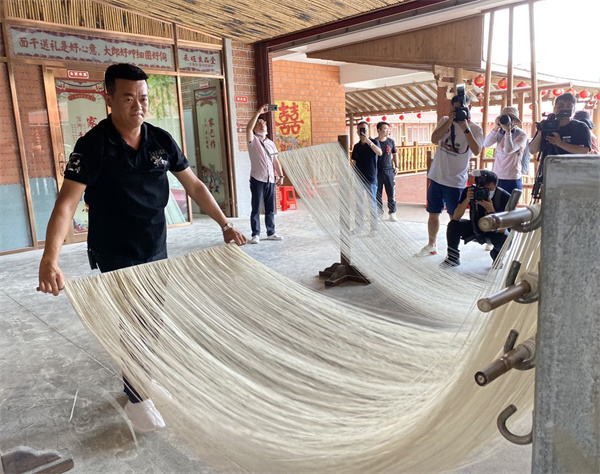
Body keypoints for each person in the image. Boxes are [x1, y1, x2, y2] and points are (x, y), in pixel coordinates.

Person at [37, 63, 246, 433]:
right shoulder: (93, 145)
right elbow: (66, 203)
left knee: (151, 318)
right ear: (109, 98)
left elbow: (194, 185)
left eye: (144, 98)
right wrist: (49, 258)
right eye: (128, 98)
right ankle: (137, 398)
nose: (138, 106)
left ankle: (140, 379)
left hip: (154, 243)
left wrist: (225, 224)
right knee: (137, 319)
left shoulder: (160, 140)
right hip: (114, 248)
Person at [416, 92, 484, 257]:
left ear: (469, 107)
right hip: (437, 177)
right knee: (433, 213)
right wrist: (449, 121)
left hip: (455, 181)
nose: (458, 112)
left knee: (454, 217)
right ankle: (431, 244)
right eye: (455, 109)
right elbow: (434, 139)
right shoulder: (445, 121)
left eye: (461, 109)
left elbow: (477, 150)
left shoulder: (475, 129)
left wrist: (465, 128)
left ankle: (452, 250)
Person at [441, 170, 510, 267]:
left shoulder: (504, 196)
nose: (484, 192)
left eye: (488, 189)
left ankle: (496, 256)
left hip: (494, 231)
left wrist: (491, 210)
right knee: (453, 225)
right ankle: (453, 257)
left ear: (495, 185)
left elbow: (503, 229)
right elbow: (456, 217)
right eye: (481, 188)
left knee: (505, 238)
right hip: (475, 227)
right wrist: (467, 199)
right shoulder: (471, 191)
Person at [246, 104, 285, 244]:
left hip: (270, 179)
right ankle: (255, 234)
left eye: (264, 122)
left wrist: (281, 175)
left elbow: (275, 161)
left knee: (270, 208)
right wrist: (258, 112)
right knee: (256, 208)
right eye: (259, 123)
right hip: (257, 179)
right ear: (255, 127)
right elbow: (248, 128)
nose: (262, 124)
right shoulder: (253, 140)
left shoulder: (270, 143)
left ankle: (271, 232)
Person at [483, 106, 529, 196]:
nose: (508, 120)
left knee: (510, 204)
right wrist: (496, 128)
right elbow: (486, 144)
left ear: (515, 121)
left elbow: (509, 150)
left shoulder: (521, 135)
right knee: (495, 204)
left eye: (511, 118)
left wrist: (508, 132)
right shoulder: (500, 132)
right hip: (497, 177)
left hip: (512, 178)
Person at [529, 92, 591, 157]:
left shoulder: (581, 127)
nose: (565, 109)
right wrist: (540, 131)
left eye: (569, 106)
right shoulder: (547, 125)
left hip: (572, 163)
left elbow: (584, 151)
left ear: (574, 109)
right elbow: (532, 150)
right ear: (554, 108)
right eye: (560, 106)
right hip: (548, 163)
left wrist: (560, 143)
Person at [351, 121, 382, 233]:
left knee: (372, 204)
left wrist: (368, 141)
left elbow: (379, 152)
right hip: (358, 178)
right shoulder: (356, 146)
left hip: (370, 179)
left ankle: (374, 229)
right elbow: (354, 162)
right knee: (359, 204)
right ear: (357, 131)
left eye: (364, 129)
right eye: (360, 130)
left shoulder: (374, 142)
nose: (362, 132)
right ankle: (359, 227)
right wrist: (352, 177)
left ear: (368, 130)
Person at [375, 121, 399, 222]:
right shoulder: (374, 142)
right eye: (385, 129)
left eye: (388, 129)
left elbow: (395, 154)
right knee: (377, 195)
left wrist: (397, 166)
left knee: (391, 193)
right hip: (377, 172)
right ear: (379, 130)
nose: (387, 131)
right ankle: (379, 213)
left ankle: (392, 213)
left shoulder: (391, 142)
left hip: (389, 171)